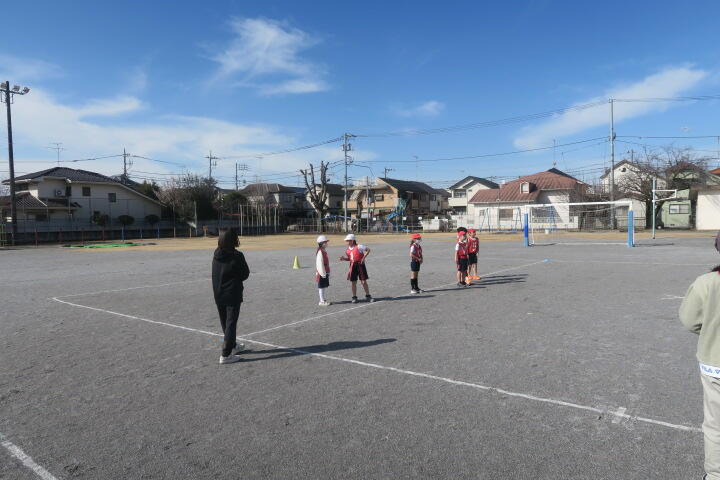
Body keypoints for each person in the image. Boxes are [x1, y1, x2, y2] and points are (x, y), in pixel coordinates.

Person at [680, 234, 720, 479]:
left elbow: (690, 320)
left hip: (715, 363)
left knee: (716, 425)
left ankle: (715, 475)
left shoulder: (707, 283)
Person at [212, 228, 250, 365]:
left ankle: (232, 345)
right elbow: (245, 274)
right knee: (231, 323)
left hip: (218, 293)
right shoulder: (237, 256)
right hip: (232, 294)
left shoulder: (216, 254)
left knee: (225, 322)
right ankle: (226, 354)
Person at [340, 233, 374, 303]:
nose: (347, 242)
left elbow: (368, 250)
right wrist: (344, 259)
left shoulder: (359, 246)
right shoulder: (347, 250)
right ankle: (354, 297)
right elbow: (350, 259)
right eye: (346, 241)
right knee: (353, 282)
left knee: (363, 281)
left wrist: (363, 258)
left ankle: (368, 296)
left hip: (360, 265)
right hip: (352, 266)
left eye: (348, 241)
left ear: (352, 241)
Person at [316, 235, 331, 306]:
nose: (326, 243)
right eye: (325, 242)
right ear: (321, 243)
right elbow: (319, 264)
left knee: (324, 286)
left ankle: (323, 299)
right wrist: (323, 273)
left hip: (325, 271)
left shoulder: (323, 251)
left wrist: (328, 271)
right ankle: (321, 301)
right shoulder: (320, 252)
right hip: (322, 272)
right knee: (321, 286)